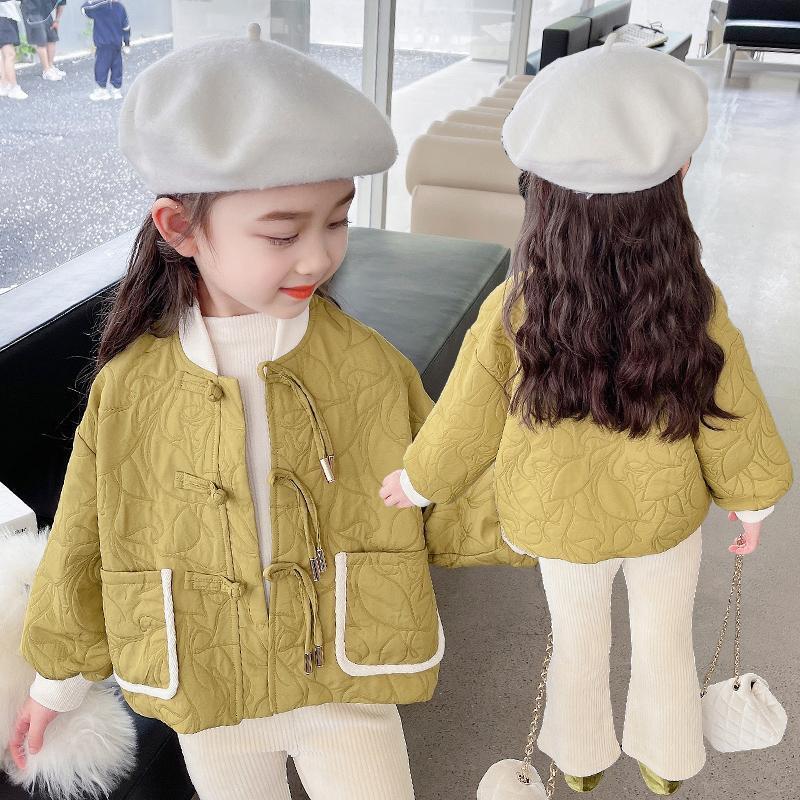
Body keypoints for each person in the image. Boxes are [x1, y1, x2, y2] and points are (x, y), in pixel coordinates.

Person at [10, 24, 532, 800]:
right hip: (210, 689)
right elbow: (83, 536)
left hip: (346, 683)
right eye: (284, 232)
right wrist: (55, 685)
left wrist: (554, 512)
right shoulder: (130, 387)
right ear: (180, 229)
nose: (318, 257)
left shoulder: (364, 364)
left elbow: (445, 486)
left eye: (337, 219)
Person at [380, 31, 793, 796]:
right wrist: (753, 499)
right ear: (679, 177)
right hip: (664, 516)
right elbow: (730, 409)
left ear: (539, 191)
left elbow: (470, 410)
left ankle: (578, 756)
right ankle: (669, 757)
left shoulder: (517, 306)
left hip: (558, 519)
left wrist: (419, 479)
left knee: (575, 642)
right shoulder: (692, 304)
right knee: (666, 637)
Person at [81, 0, 130, 100]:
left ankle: (102, 90)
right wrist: (127, 43)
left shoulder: (98, 7)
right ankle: (116, 90)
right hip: (117, 44)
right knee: (117, 66)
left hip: (103, 44)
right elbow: (126, 27)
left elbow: (84, 10)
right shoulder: (120, 7)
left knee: (101, 66)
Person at [19, 0, 65, 80]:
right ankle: (46, 71)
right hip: (31, 12)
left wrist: (57, 20)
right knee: (41, 41)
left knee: (52, 38)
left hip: (45, 12)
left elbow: (61, 2)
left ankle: (50, 67)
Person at [0, 0, 27, 98]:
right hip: (4, 13)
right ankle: (13, 87)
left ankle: (4, 84)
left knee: (3, 53)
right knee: (9, 54)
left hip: (6, 12)